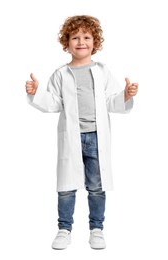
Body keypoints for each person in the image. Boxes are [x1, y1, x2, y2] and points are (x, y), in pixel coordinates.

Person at [25, 15, 138, 250]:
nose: (81, 42)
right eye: (75, 37)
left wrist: (126, 94)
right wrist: (36, 92)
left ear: (95, 42)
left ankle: (96, 228)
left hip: (96, 137)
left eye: (86, 37)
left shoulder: (103, 71)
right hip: (72, 137)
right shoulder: (60, 73)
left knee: (96, 186)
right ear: (66, 43)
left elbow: (111, 101)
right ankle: (64, 228)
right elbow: (53, 103)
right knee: (66, 186)